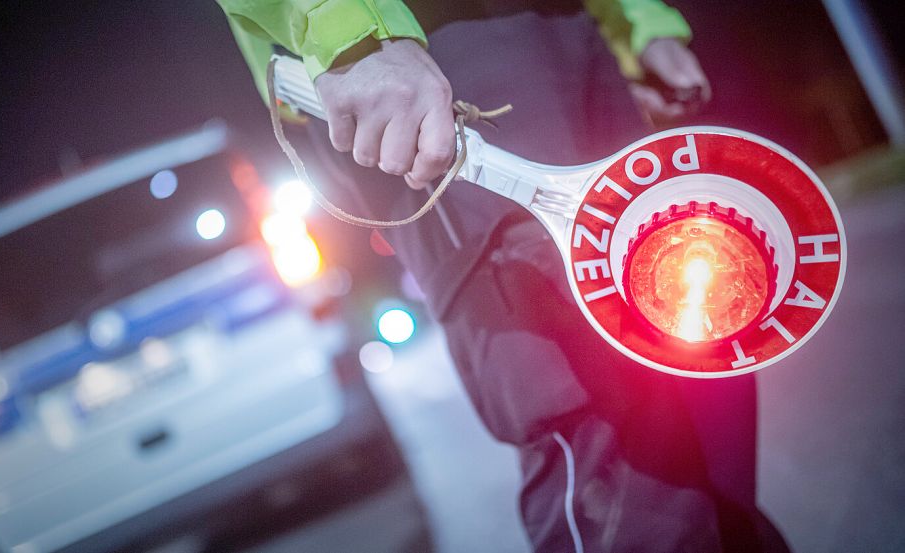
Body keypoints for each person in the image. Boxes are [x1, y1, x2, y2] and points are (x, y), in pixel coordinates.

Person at [217, 2, 790, 551]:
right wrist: (352, 35)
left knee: (702, 360)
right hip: (421, 44)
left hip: (569, 25)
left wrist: (636, 24)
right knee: (597, 427)